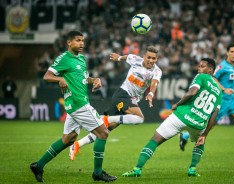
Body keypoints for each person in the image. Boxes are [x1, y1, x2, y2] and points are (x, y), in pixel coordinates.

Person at [29, 30, 116, 182]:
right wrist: (60, 79)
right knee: (103, 133)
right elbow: (47, 76)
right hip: (78, 104)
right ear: (69, 42)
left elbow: (82, 78)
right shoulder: (64, 58)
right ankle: (97, 173)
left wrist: (95, 79)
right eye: (77, 40)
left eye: (82, 40)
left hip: (76, 104)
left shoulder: (81, 58)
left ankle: (38, 165)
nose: (81, 43)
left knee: (68, 139)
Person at [122, 58, 222, 177]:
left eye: (202, 66)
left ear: (210, 70)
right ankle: (192, 169)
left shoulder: (201, 77)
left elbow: (191, 92)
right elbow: (214, 115)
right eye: (199, 66)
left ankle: (137, 169)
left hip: (181, 117)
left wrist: (178, 104)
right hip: (199, 124)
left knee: (155, 139)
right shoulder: (219, 92)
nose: (199, 69)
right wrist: (205, 134)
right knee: (200, 142)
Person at [69, 45, 162, 160]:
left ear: (156, 59)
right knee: (139, 118)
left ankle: (77, 145)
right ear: (144, 57)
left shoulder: (157, 71)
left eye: (154, 58)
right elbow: (127, 57)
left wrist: (151, 93)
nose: (151, 61)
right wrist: (119, 58)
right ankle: (105, 118)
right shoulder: (135, 59)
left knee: (105, 130)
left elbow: (154, 83)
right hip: (122, 94)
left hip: (131, 99)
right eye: (149, 57)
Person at [179, 43, 234, 154]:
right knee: (209, 126)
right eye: (231, 52)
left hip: (232, 100)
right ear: (227, 53)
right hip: (220, 100)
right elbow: (213, 78)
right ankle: (184, 136)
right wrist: (223, 89)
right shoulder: (222, 66)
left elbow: (233, 80)